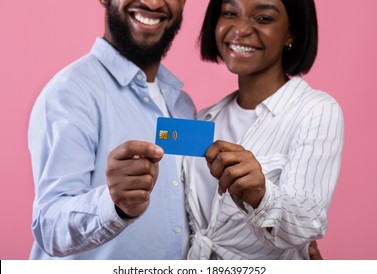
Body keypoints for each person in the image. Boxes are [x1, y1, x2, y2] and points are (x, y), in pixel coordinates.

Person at [28, 0, 195, 260]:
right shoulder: (71, 92)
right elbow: (48, 227)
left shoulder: (183, 105)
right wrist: (114, 204)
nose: (152, 3)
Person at [183, 0, 344, 259]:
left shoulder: (316, 111)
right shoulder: (203, 118)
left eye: (263, 18)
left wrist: (261, 195)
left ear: (291, 33)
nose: (241, 29)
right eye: (230, 13)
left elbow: (307, 222)